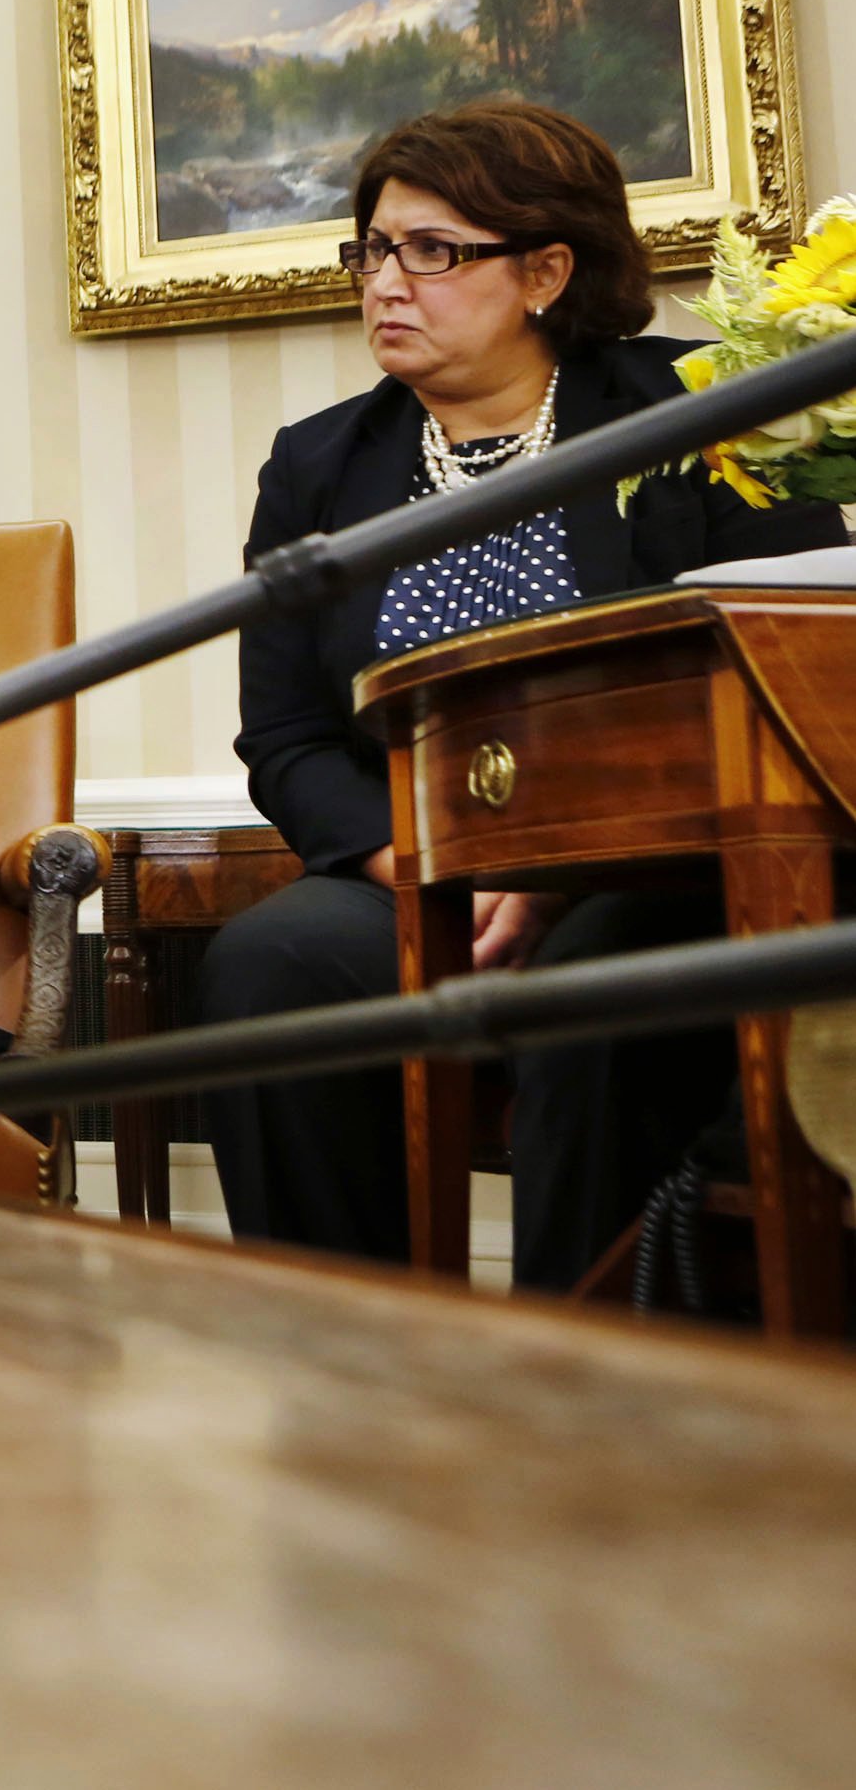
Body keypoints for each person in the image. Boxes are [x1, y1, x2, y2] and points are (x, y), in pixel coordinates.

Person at [193, 99, 842, 1293]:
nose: (386, 282)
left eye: (433, 251)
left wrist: (557, 874)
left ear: (546, 268)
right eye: (371, 248)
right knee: (268, 966)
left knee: (602, 978)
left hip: (665, 869)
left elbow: (791, 664)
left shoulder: (699, 412)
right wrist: (423, 862)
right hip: (420, 868)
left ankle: (575, 1370)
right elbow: (284, 735)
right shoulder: (319, 464)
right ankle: (344, 1351)